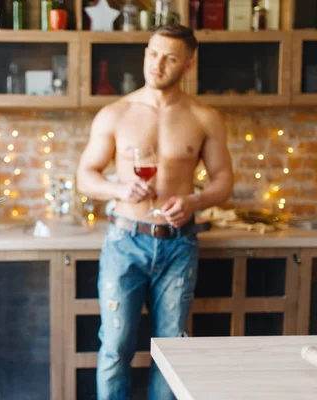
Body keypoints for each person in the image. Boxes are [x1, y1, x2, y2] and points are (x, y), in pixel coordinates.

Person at [76, 24, 234, 400]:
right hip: (125, 241)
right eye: (152, 53)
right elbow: (85, 176)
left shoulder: (204, 116)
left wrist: (194, 201)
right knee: (115, 346)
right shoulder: (116, 112)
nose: (156, 64)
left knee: (171, 350)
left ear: (188, 64)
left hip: (179, 245)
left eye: (169, 57)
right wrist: (118, 188)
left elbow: (224, 180)